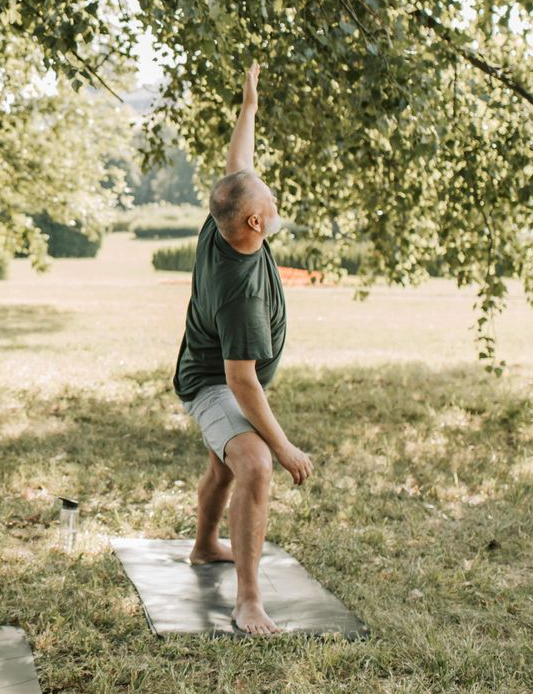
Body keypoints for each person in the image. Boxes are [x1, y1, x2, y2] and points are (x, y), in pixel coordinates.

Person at [170, 63, 316, 636]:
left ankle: (206, 544)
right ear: (255, 220)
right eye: (270, 202)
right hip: (213, 381)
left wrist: (249, 105)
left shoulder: (222, 218)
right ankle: (249, 601)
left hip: (215, 373)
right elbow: (241, 382)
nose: (275, 202)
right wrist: (284, 448)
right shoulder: (241, 292)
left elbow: (239, 165)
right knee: (252, 462)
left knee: (224, 462)